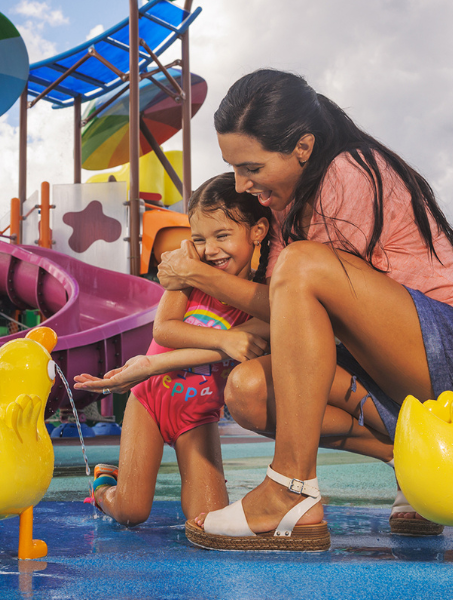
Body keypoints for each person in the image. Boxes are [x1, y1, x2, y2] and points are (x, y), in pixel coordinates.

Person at [160, 70, 453, 551]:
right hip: (400, 377)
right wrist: (151, 360)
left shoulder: (348, 171)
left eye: (253, 168)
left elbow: (303, 283)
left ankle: (289, 489)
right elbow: (287, 316)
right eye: (234, 168)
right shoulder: (288, 206)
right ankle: (415, 462)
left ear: (303, 147)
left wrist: (199, 276)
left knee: (302, 264)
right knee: (247, 391)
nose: (241, 185)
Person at [73, 174, 306, 526]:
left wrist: (226, 343)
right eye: (199, 238)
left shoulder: (265, 299)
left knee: (207, 519)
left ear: (258, 231)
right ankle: (106, 484)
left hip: (197, 415)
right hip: (150, 399)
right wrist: (223, 340)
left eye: (222, 235)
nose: (210, 249)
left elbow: (244, 342)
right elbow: (165, 328)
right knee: (131, 512)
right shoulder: (190, 274)